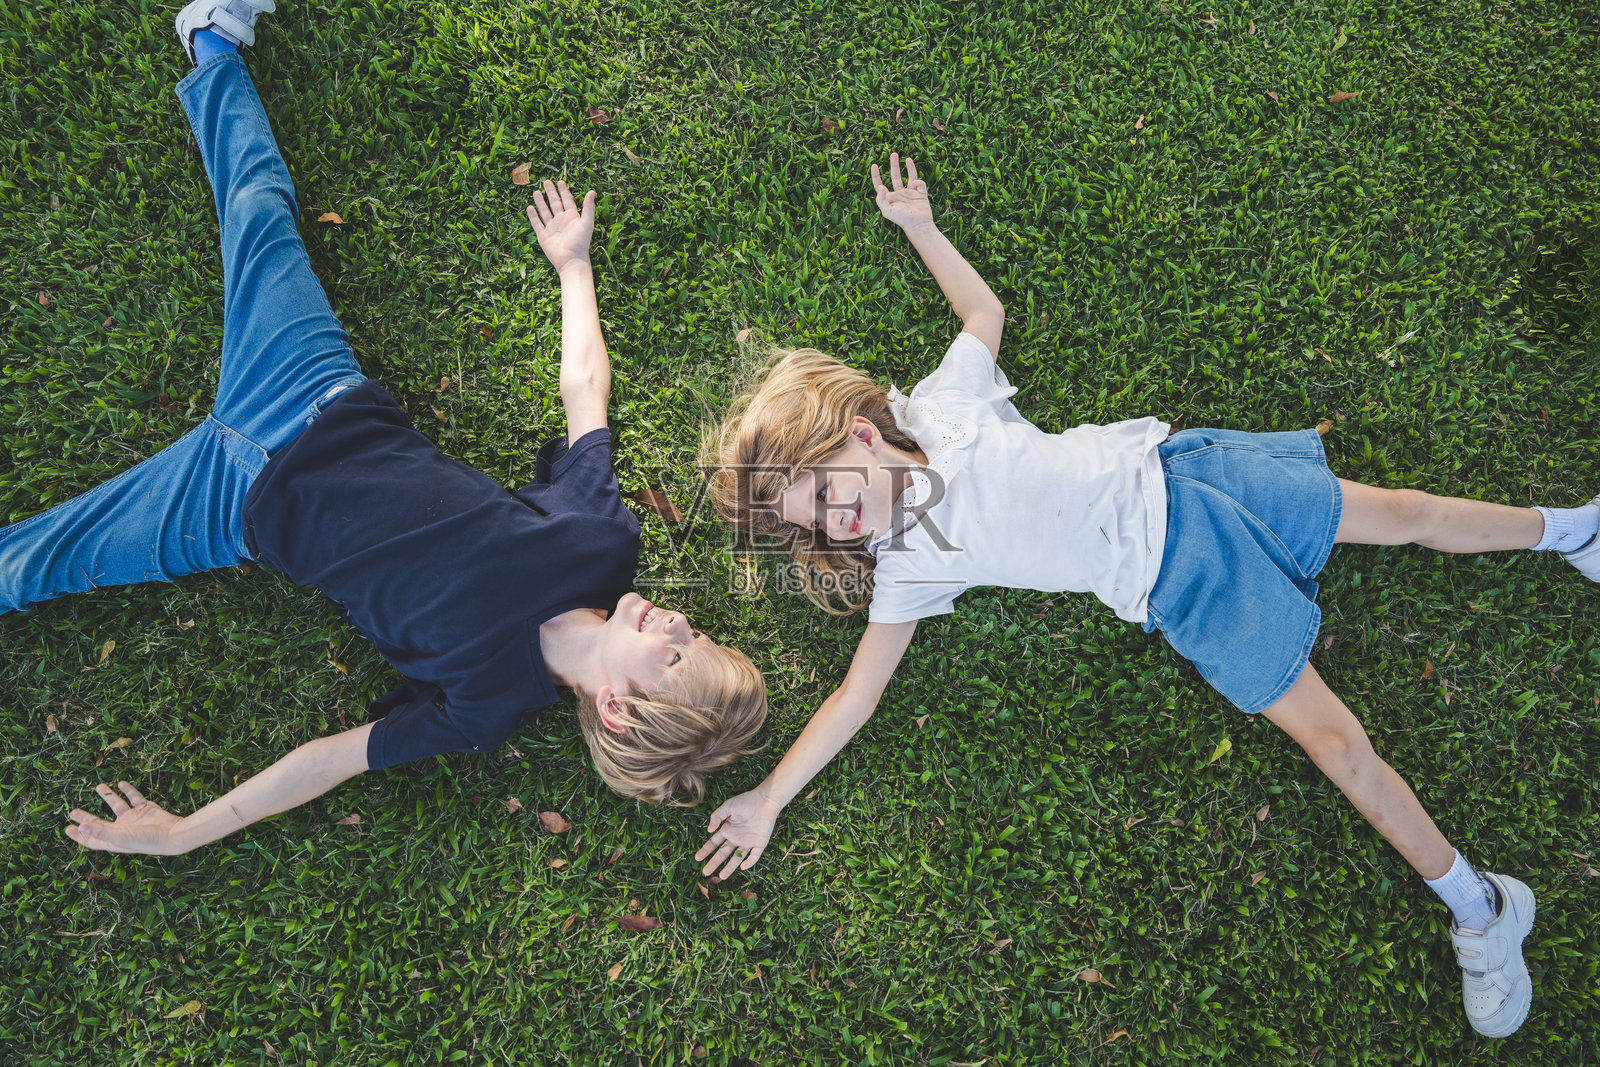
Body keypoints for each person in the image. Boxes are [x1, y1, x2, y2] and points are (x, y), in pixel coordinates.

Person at [697, 153, 1600, 1038]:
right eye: (807, 521)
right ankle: (1481, 907)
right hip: (1184, 587)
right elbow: (857, 695)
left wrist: (922, 227)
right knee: (1338, 743)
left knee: (1406, 513)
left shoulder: (945, 407)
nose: (831, 521)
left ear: (859, 434)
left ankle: (1572, 528)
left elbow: (982, 310)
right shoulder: (911, 560)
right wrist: (771, 796)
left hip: (1196, 476)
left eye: (821, 490)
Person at [2, 3, 767, 856]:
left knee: (38, 562)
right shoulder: (600, 542)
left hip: (232, 512)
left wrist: (181, 834)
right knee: (258, 212)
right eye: (696, 634)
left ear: (618, 706)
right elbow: (585, 392)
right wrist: (574, 267)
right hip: (310, 384)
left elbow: (329, 760)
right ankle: (212, 39)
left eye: (674, 654)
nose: (675, 625)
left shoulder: (486, 705)